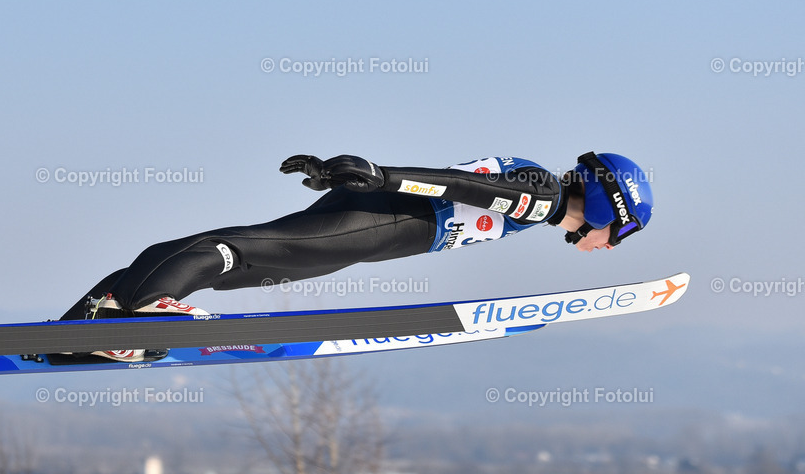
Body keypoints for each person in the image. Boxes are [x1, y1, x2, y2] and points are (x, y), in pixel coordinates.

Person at [60, 151, 653, 361]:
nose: (608, 249)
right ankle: (138, 317)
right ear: (608, 210)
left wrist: (374, 178)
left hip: (384, 220)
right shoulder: (540, 194)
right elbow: (456, 187)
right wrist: (382, 176)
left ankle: (83, 328)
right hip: (394, 220)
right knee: (235, 253)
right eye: (618, 237)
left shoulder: (542, 198)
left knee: (233, 257)